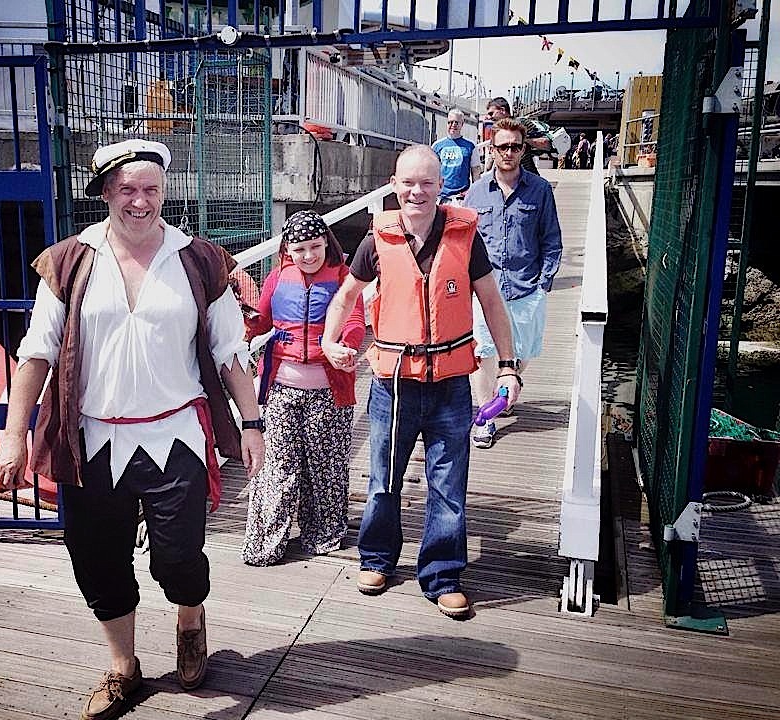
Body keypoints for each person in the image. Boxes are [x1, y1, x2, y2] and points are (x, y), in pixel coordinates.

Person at [0, 139, 265, 720]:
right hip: (91, 440)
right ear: (105, 193)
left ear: (165, 193)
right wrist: (14, 435)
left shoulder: (201, 260)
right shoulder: (69, 260)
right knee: (96, 556)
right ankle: (124, 668)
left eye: (151, 190)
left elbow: (230, 352)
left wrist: (252, 422)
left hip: (177, 437)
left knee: (178, 557)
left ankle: (190, 624)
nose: (140, 201)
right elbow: (36, 353)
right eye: (126, 189)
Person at [321, 144, 522, 619]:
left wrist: (509, 367)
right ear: (394, 184)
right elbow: (346, 296)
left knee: (448, 482)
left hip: (451, 383)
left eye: (427, 182)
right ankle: (377, 559)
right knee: (383, 479)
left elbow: (492, 303)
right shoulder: (376, 242)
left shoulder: (466, 239)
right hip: (394, 384)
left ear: (441, 186)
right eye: (408, 182)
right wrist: (331, 342)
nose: (417, 191)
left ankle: (442, 573)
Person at [241, 210, 366, 566]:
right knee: (277, 465)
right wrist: (239, 328)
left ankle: (324, 533)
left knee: (326, 463)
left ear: (327, 242)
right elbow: (260, 320)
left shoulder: (345, 277)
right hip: (282, 388)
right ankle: (266, 542)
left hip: (331, 391)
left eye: (315, 246)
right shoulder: (277, 278)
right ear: (287, 249)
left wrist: (347, 346)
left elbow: (354, 320)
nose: (309, 256)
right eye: (299, 249)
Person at [463, 117, 563, 449]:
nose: (508, 152)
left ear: (523, 150)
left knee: (522, 353)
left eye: (515, 146)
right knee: (482, 353)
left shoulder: (540, 190)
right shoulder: (475, 193)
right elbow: (463, 242)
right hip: (485, 288)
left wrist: (543, 283)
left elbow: (552, 240)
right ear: (492, 148)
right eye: (502, 146)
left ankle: (509, 386)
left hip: (526, 287)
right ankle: (485, 416)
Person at [432, 108, 482, 204]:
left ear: (462, 124)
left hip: (461, 199)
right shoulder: (436, 146)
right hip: (440, 198)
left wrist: (476, 195)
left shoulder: (471, 146)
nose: (453, 125)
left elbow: (476, 173)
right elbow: (431, 171)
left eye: (456, 122)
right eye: (450, 122)